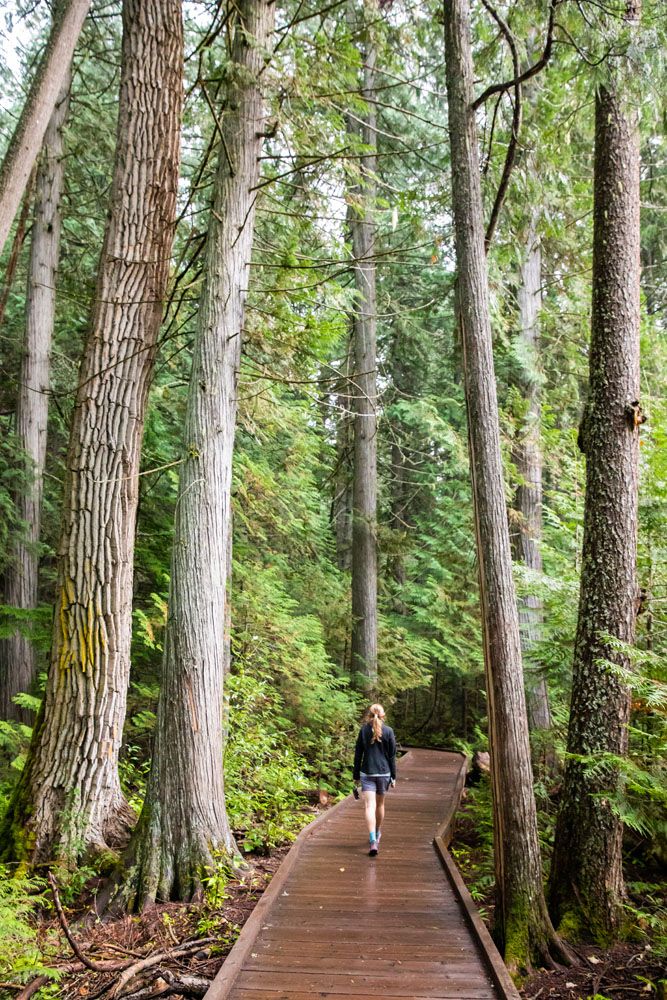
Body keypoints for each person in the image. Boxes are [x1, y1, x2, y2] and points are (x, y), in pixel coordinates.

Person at [352, 703, 397, 856]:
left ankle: (372, 840)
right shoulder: (389, 731)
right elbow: (392, 756)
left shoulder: (363, 731)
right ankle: (377, 833)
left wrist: (356, 776)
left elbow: (358, 754)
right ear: (383, 715)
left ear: (369, 715)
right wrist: (394, 776)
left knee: (369, 806)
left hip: (367, 772)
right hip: (384, 773)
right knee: (380, 804)